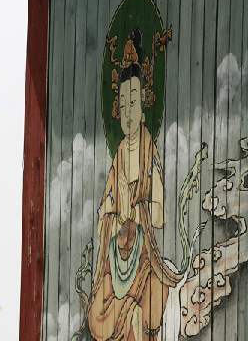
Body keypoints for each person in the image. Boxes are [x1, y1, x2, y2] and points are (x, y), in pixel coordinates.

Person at [87, 29, 183, 341]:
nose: (129, 112)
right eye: (123, 104)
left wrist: (139, 211)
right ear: (117, 110)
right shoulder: (118, 154)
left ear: (144, 103)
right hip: (117, 252)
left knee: (152, 297)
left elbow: (159, 211)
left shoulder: (147, 151)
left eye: (134, 102)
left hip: (141, 251)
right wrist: (113, 218)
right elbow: (106, 206)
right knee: (96, 315)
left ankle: (135, 321)